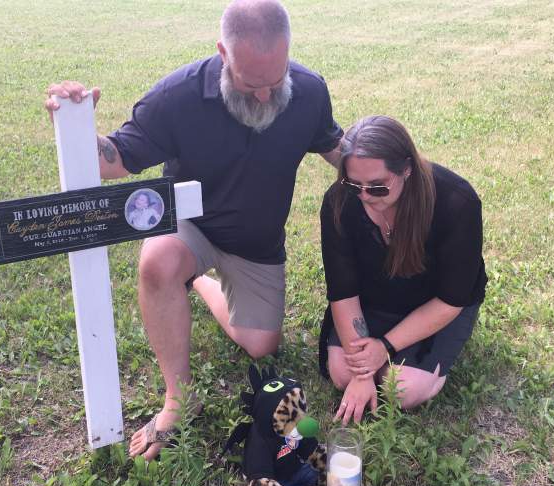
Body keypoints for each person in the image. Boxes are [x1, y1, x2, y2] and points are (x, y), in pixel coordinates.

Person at [45, 0, 342, 459]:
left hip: (256, 242)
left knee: (261, 346)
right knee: (158, 261)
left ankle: (200, 282)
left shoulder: (308, 91)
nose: (266, 96)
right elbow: (116, 160)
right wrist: (76, 127)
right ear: (223, 54)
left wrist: (403, 176)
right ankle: (177, 400)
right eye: (251, 83)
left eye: (276, 79)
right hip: (192, 226)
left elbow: (338, 149)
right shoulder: (177, 96)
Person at [318, 115, 487, 425]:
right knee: (342, 374)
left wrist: (384, 347)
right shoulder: (339, 202)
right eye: (354, 184)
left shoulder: (456, 201)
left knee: (403, 390)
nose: (364, 196)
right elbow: (343, 291)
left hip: (434, 303)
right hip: (373, 297)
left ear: (406, 168)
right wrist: (362, 372)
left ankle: (421, 359)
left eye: (377, 187)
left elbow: (452, 298)